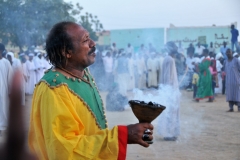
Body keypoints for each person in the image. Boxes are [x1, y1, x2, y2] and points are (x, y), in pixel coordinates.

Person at [28, 21, 153, 160]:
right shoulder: (55, 89)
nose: (93, 44)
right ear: (67, 52)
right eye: (85, 40)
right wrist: (122, 135)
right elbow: (65, 150)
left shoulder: (84, 74)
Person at [158, 41, 180, 141]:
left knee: (172, 112)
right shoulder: (170, 60)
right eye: (175, 46)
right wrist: (169, 92)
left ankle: (171, 133)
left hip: (170, 90)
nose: (176, 48)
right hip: (170, 91)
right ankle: (169, 134)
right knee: (170, 112)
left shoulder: (169, 59)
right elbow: (168, 78)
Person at [0, 43, 13, 135]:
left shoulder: (6, 62)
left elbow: (10, 78)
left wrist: (10, 91)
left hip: (3, 90)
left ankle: (2, 126)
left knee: (3, 108)